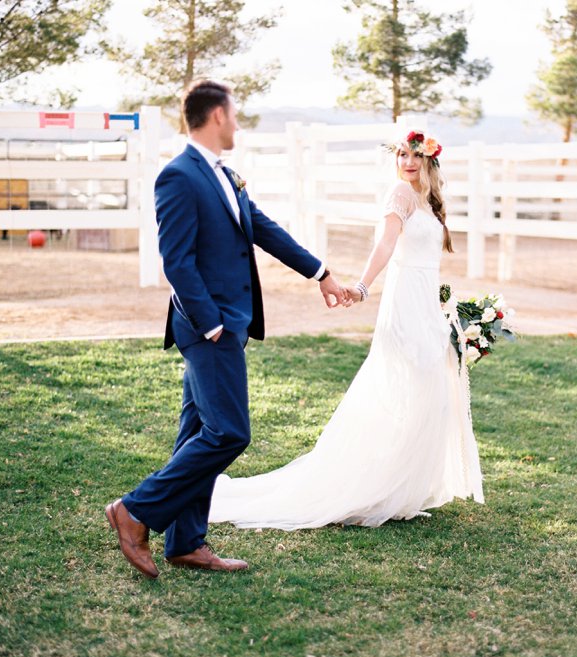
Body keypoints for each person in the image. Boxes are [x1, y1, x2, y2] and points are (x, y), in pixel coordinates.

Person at [105, 80, 349, 579]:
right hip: (208, 326)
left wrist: (319, 273)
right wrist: (212, 322)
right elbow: (176, 260)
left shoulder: (224, 175)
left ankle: (186, 542)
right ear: (217, 116)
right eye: (234, 113)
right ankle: (133, 511)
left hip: (227, 323)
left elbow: (262, 229)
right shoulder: (178, 176)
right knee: (229, 432)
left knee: (198, 430)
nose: (237, 122)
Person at [208, 129, 484, 530]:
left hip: (426, 303)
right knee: (407, 385)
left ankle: (401, 485)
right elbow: (386, 245)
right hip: (404, 303)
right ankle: (378, 485)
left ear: (429, 160)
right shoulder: (400, 194)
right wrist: (363, 285)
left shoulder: (430, 200)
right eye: (401, 155)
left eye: (414, 156)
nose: (406, 162)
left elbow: (427, 255)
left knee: (430, 391)